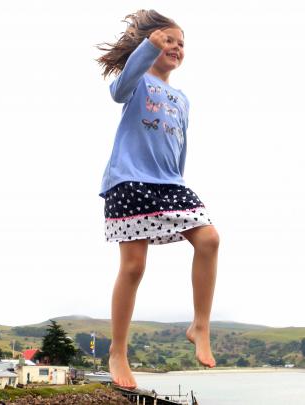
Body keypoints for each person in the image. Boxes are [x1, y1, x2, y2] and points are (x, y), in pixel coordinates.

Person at [96, 9, 220, 389]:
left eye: (181, 44)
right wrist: (147, 50)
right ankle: (118, 351)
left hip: (170, 183)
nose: (177, 47)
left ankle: (199, 325)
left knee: (209, 239)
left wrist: (178, 181)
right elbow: (117, 91)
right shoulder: (138, 82)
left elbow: (181, 146)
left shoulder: (181, 99)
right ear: (150, 44)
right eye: (169, 40)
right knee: (133, 267)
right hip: (130, 180)